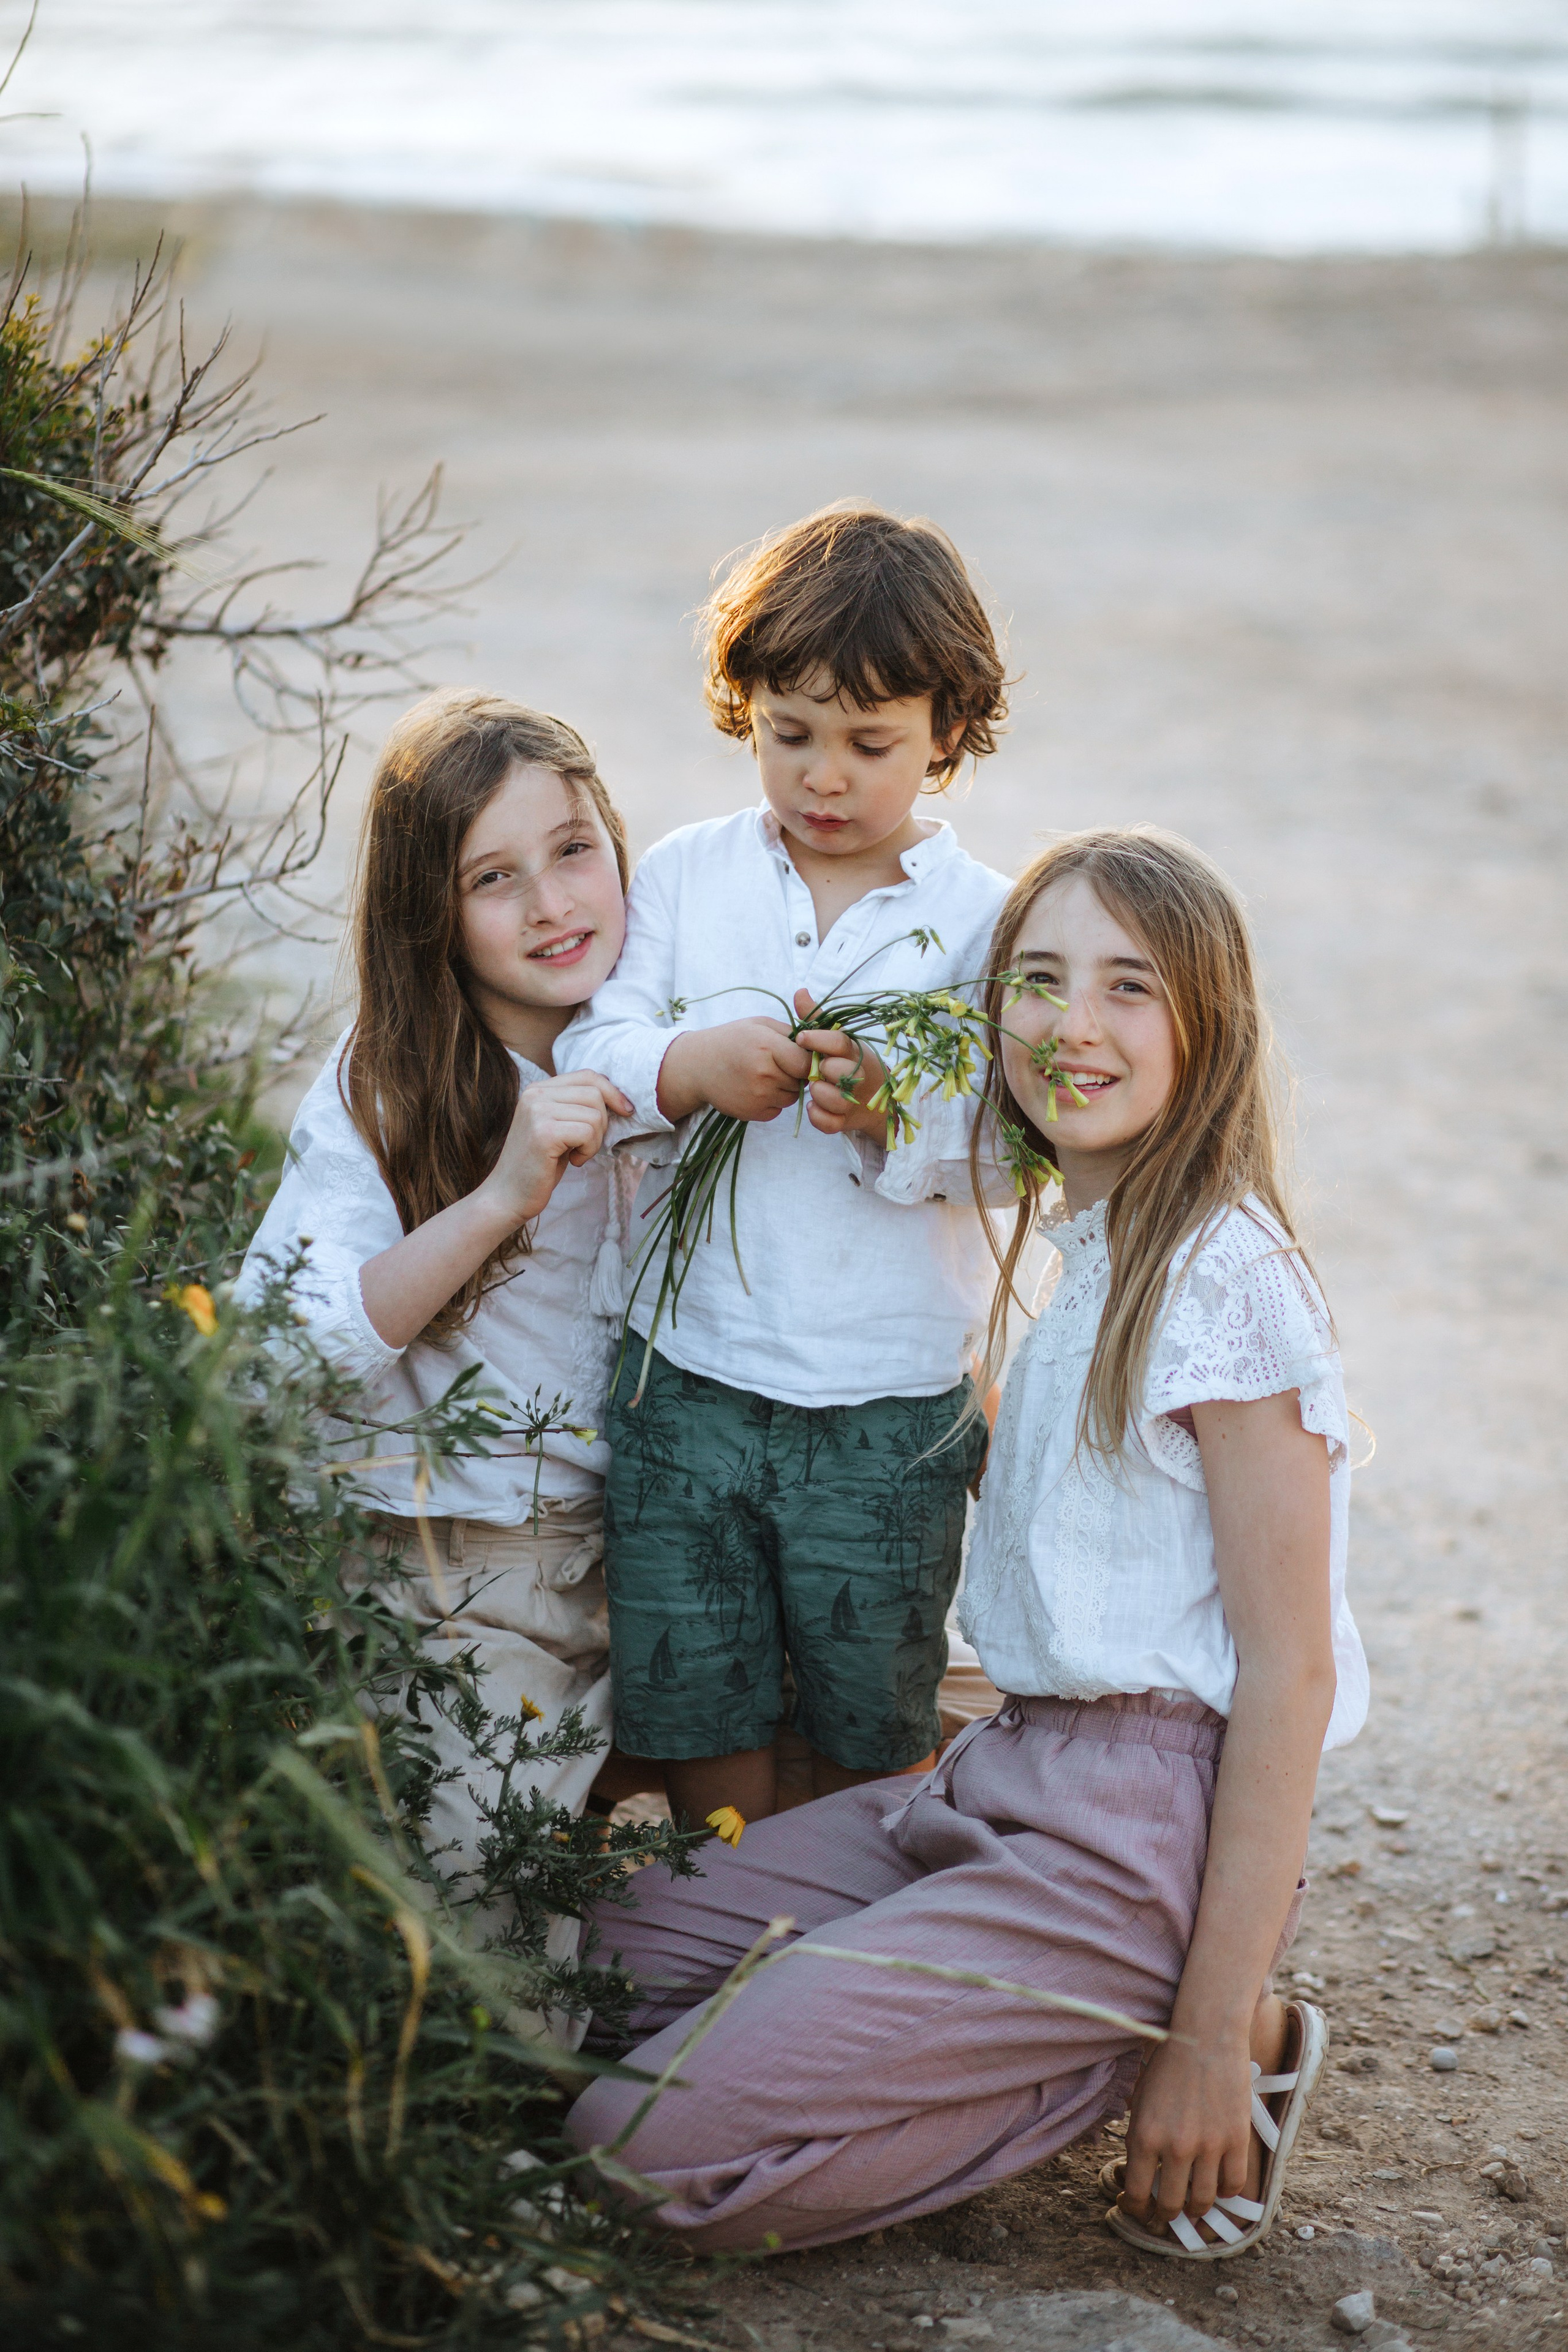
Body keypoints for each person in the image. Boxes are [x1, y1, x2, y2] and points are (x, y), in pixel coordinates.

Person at [564, 826, 1366, 2260]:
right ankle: (1050, 2010)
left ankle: (1172, 2031)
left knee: (629, 2151)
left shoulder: (1227, 1286)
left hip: (1128, 1835)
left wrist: (1191, 2044)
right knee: (579, 1968)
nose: (1071, 1027)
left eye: (1128, 989)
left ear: (1208, 1024)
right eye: (1038, 982)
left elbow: (1289, 1676)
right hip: (998, 1774)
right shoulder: (1095, 1240)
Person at [555, 503, 1012, 1828]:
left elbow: (1007, 1143)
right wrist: (688, 1068)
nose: (822, 778)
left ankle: (845, 1934)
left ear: (948, 727)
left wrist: (893, 1115)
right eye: (787, 735)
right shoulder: (695, 874)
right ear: (742, 710)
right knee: (694, 1679)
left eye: (869, 745)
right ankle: (723, 1905)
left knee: (871, 1695)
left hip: (886, 1402)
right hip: (682, 1375)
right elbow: (604, 1035)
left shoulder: (980, 920)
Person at [237, 688, 635, 1975]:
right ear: (432, 914)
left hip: (649, 1556)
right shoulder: (389, 1084)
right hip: (455, 1572)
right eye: (494, 879)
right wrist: (499, 1198)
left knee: (892, 1762)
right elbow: (278, 1355)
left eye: (573, 849)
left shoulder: (660, 1031)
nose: (552, 907)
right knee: (486, 1930)